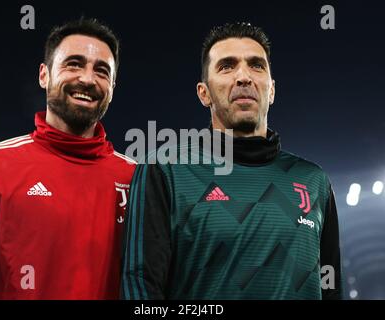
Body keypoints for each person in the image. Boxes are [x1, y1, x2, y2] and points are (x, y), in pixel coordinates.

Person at [121, 22, 342, 299]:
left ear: (271, 90)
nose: (243, 77)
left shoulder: (314, 180)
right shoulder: (164, 169)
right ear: (204, 93)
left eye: (256, 65)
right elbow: (140, 287)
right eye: (226, 66)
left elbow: (331, 289)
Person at [0, 18, 136, 299]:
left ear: (112, 87)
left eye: (101, 71)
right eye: (73, 64)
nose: (87, 79)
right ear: (44, 75)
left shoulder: (139, 179)